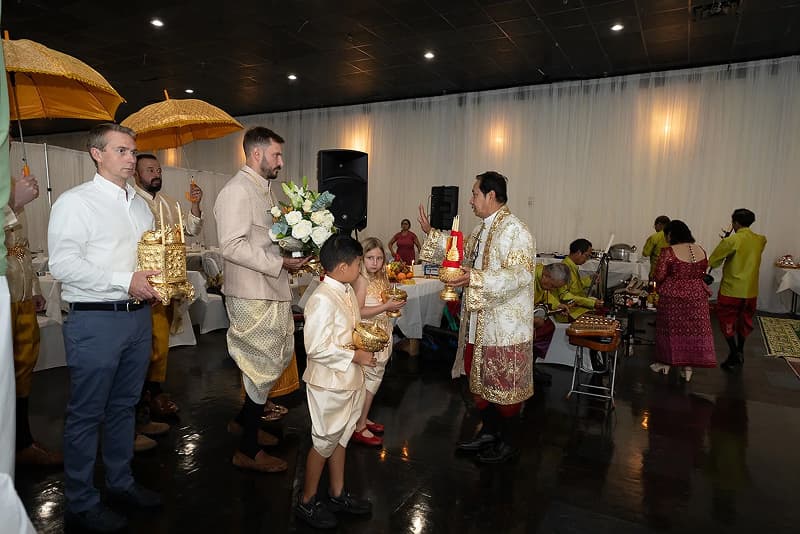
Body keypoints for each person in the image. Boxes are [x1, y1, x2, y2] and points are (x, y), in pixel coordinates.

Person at [48, 123, 163, 532]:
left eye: (133, 152)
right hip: (95, 319)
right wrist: (124, 278)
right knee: (86, 413)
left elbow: (147, 256)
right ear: (97, 154)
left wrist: (158, 282)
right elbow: (61, 265)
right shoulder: (75, 203)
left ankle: (120, 482)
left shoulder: (140, 206)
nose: (132, 159)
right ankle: (80, 500)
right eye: (122, 151)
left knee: (124, 407)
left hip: (136, 316)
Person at [418, 171, 535, 464]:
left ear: (491, 196)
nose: (470, 200)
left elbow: (519, 276)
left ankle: (508, 443)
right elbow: (461, 251)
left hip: (504, 326)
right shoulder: (483, 229)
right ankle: (489, 433)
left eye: (474, 194)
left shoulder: (515, 231)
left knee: (503, 385)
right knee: (479, 380)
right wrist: (432, 233)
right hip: (478, 322)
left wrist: (476, 278)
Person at [213, 126, 308, 473]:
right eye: (276, 155)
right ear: (256, 154)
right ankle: (247, 450)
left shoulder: (263, 191)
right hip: (251, 292)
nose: (280, 161)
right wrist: (280, 261)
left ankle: (244, 422)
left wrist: (293, 250)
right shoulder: (237, 191)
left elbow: (264, 241)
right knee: (259, 365)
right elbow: (232, 246)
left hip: (270, 288)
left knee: (276, 357)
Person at [295, 234, 375, 529]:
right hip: (328, 383)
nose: (361, 268)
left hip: (348, 380)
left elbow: (349, 331)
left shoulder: (345, 290)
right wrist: (356, 357)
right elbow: (315, 347)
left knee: (340, 437)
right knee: (323, 440)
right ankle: (306, 500)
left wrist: (365, 347)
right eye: (358, 264)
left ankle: (338, 492)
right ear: (342, 267)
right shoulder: (321, 299)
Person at [131, 153, 203, 448]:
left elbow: (192, 229)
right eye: (149, 170)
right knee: (144, 350)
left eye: (158, 169)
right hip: (143, 289)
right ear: (135, 174)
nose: (155, 173)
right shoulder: (131, 203)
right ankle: (139, 412)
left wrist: (196, 204)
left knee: (160, 347)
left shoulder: (169, 202)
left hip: (169, 286)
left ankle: (154, 397)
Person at [6, 172, 62, 464]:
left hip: (21, 290)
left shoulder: (11, 179)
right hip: (1, 292)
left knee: (23, 364)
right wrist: (12, 204)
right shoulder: (12, 190)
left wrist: (34, 285)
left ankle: (21, 442)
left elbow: (20, 245)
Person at [351, 237, 405, 446]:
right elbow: (358, 312)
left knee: (374, 380)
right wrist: (385, 307)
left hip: (383, 333)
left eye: (380, 258)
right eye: (370, 258)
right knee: (369, 381)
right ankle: (359, 426)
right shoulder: (360, 280)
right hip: (367, 339)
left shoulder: (381, 279)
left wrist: (393, 305)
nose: (375, 262)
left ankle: (362, 417)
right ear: (361, 258)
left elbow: (384, 304)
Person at [650, 220, 717, 382]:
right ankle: (688, 368)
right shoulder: (700, 250)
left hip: (673, 296)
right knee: (694, 330)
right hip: (697, 296)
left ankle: (666, 363)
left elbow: (659, 275)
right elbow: (702, 273)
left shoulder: (669, 251)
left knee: (670, 330)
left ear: (671, 234)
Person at [708, 209, 767, 370]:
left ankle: (734, 352)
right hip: (750, 289)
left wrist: (724, 242)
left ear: (735, 223)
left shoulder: (732, 240)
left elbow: (714, 261)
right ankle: (740, 350)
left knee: (727, 320)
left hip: (732, 289)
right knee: (745, 320)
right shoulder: (760, 240)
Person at [532, 262, 570, 385]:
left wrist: (558, 305)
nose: (552, 290)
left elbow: (546, 295)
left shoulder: (543, 279)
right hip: (515, 316)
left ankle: (531, 365)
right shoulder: (529, 278)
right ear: (546, 275)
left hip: (531, 313)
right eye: (553, 286)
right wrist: (530, 320)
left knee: (548, 327)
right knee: (541, 328)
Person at [560, 238, 604, 321]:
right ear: (578, 253)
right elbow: (564, 296)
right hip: (569, 311)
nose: (586, 259)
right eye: (586, 256)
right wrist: (590, 302)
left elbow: (575, 286)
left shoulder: (571, 266)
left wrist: (590, 280)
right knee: (601, 317)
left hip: (576, 307)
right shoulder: (564, 268)